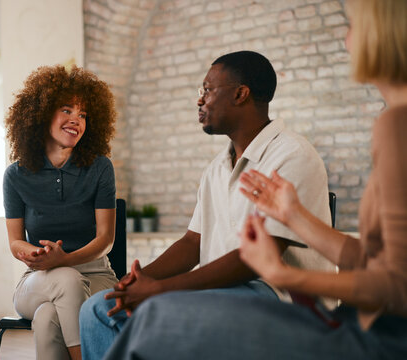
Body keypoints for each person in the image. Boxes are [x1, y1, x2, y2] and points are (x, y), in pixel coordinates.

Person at [102, 1, 407, 359]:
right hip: (362, 325)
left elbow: (396, 287)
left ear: (383, 35)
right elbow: (372, 261)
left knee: (157, 315)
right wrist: (297, 217)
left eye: (354, 26)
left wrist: (283, 274)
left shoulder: (394, 127)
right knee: (103, 311)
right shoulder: (392, 124)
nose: (346, 39)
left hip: (373, 339)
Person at [80, 51, 335, 359]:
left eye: (208, 90)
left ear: (241, 94)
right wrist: (137, 281)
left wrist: (161, 289)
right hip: (225, 292)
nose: (200, 100)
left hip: (280, 297)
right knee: (99, 308)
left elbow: (256, 259)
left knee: (159, 310)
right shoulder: (217, 167)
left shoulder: (292, 155)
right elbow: (192, 242)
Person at [3, 65, 119, 360]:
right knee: (65, 279)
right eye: (66, 110)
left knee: (46, 318)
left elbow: (106, 238)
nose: (75, 120)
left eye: (82, 114)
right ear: (41, 115)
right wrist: (35, 255)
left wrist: (66, 259)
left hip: (97, 276)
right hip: (40, 278)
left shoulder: (100, 167)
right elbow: (15, 242)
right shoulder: (16, 175)